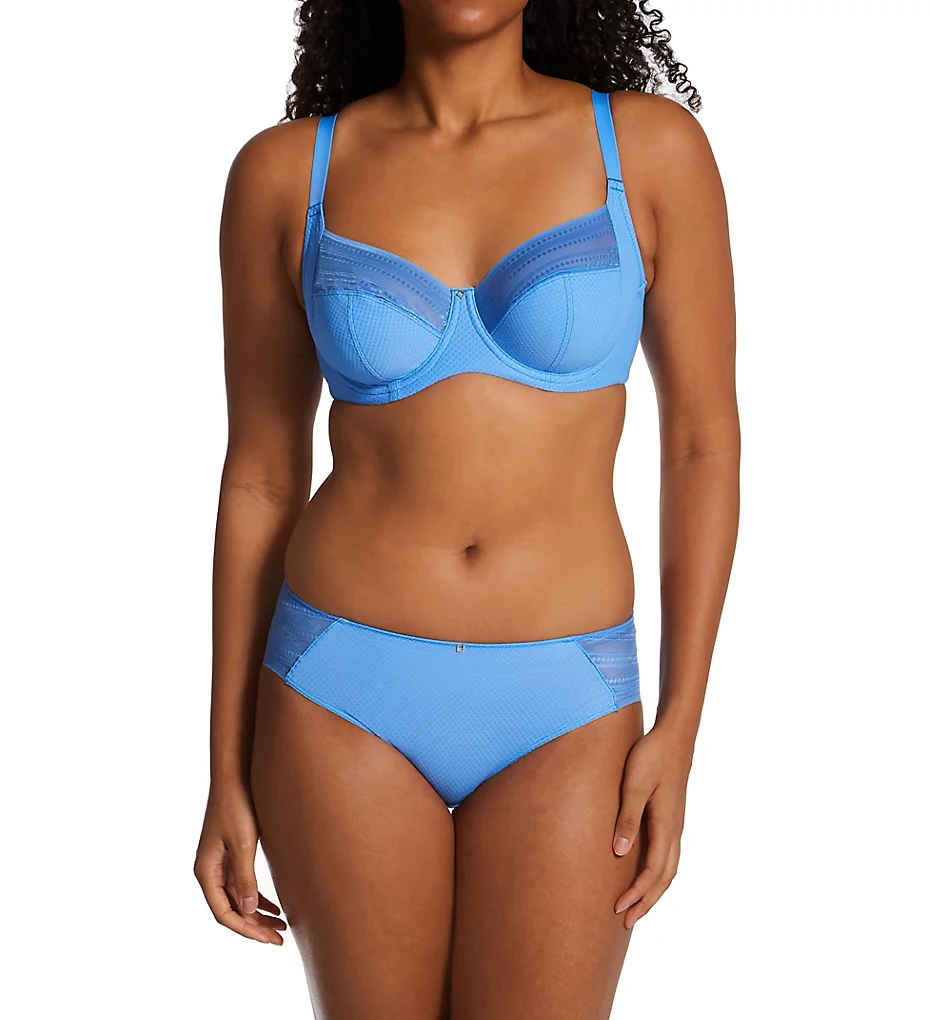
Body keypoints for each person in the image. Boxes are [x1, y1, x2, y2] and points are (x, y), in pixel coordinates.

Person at [194, 2, 739, 1016]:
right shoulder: (285, 173)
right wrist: (224, 767)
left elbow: (701, 448)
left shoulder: (649, 151)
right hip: (339, 693)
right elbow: (260, 477)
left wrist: (681, 725)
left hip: (569, 706)